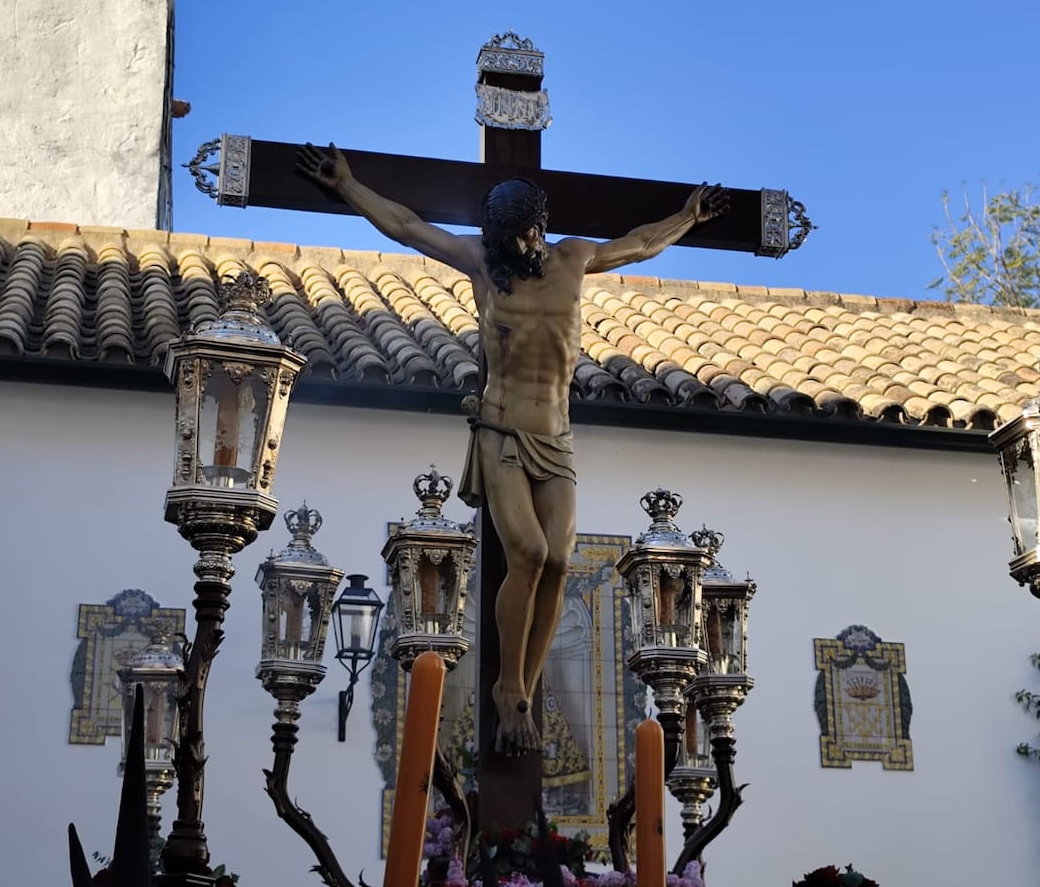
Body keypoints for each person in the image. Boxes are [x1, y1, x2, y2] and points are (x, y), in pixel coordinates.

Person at [296, 143, 729, 754]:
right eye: (502, 238)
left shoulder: (574, 259)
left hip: (556, 434)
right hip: (498, 429)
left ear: (538, 228)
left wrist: (688, 216)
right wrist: (348, 185)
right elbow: (408, 225)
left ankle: (523, 686)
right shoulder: (480, 261)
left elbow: (639, 244)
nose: (512, 249)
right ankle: (508, 689)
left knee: (558, 560)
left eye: (520, 237)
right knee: (525, 550)